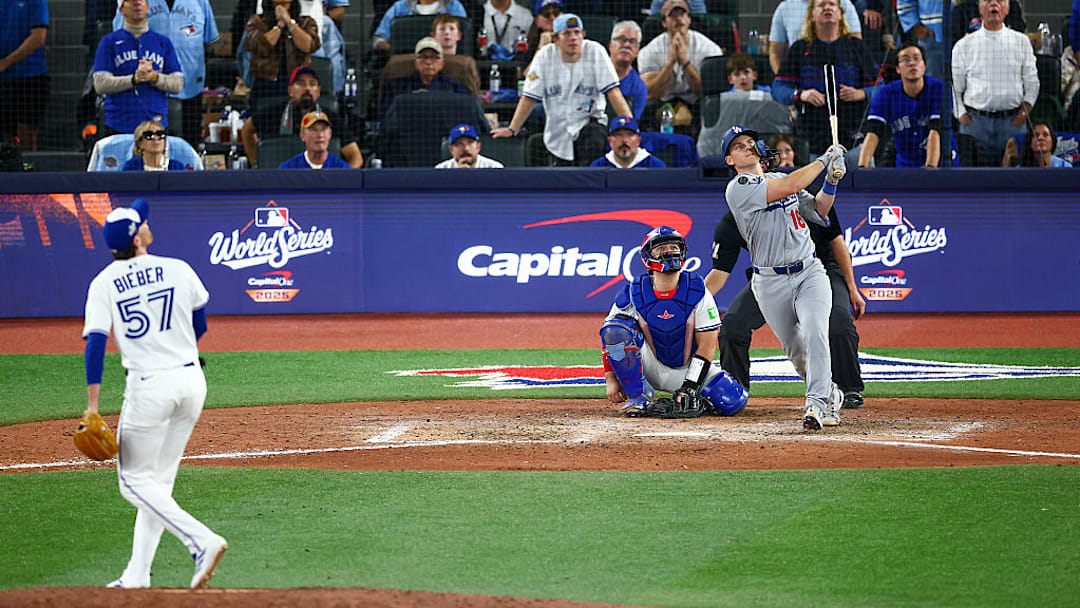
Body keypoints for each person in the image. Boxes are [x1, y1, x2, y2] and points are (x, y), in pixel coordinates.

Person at [82, 198, 227, 590]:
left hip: (149, 388)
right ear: (138, 238)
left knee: (133, 483)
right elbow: (200, 324)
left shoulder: (103, 283)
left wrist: (93, 404)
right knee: (156, 484)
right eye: (141, 222)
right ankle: (136, 575)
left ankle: (201, 541)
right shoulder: (178, 268)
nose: (147, 223)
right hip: (191, 383)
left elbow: (96, 344)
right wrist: (182, 351)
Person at [721, 124, 848, 429]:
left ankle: (816, 404)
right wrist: (823, 160)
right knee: (796, 349)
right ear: (729, 160)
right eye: (739, 146)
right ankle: (831, 392)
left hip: (809, 272)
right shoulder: (738, 187)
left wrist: (831, 180)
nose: (748, 147)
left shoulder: (779, 178)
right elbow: (789, 186)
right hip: (769, 281)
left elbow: (819, 210)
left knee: (817, 330)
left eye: (751, 142)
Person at [706, 203, 867, 410]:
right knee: (733, 323)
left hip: (819, 268)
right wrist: (693, 302)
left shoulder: (809, 197)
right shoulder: (735, 219)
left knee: (839, 323)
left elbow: (837, 242)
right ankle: (734, 391)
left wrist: (852, 288)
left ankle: (848, 388)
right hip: (772, 276)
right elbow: (720, 272)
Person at [600, 226, 748, 418]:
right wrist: (611, 377)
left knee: (733, 401)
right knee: (615, 329)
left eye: (674, 247)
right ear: (647, 256)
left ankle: (693, 401)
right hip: (648, 364)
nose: (669, 252)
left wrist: (690, 386)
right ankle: (639, 396)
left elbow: (707, 346)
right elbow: (610, 335)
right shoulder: (632, 292)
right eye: (661, 248)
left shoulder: (698, 292)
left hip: (686, 368)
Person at [492, 13, 631, 166]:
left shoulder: (595, 51)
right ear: (555, 39)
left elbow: (614, 92)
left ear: (583, 35)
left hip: (590, 126)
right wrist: (512, 129)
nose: (573, 38)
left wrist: (632, 128)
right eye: (567, 33)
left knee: (593, 142)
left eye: (577, 32)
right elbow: (529, 97)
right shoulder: (544, 56)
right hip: (557, 129)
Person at [772, 0, 881, 159]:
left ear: (840, 14)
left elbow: (880, 88)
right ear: (812, 15)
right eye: (821, 5)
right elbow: (777, 89)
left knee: (862, 184)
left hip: (855, 143)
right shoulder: (799, 48)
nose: (827, 8)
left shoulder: (856, 47)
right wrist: (800, 95)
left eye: (832, 4)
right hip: (812, 145)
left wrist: (862, 93)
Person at [111, 0, 219, 143]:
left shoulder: (200, 2)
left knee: (188, 147)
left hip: (191, 87)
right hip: (149, 91)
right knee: (150, 146)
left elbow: (209, 39)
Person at [951, 0, 1038, 167]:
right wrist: (961, 114)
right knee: (972, 183)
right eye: (988, 0)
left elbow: (1032, 82)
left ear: (1007, 8)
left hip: (1013, 123)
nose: (994, 4)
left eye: (999, 1)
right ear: (979, 8)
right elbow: (955, 86)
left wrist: (1024, 112)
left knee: (1013, 183)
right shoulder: (963, 45)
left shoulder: (1021, 42)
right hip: (974, 125)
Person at [240, 65, 363, 168]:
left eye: (312, 84)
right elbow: (247, 129)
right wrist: (257, 164)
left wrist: (341, 179)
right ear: (290, 90)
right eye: (301, 83)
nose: (307, 88)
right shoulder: (273, 113)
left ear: (318, 91)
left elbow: (356, 157)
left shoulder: (331, 118)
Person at [859, 41, 958, 169]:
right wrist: (862, 167)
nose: (912, 63)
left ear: (924, 65)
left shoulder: (939, 89)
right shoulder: (886, 93)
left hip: (942, 164)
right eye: (906, 60)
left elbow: (935, 130)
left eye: (916, 59)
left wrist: (930, 167)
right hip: (906, 166)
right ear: (898, 69)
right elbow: (873, 132)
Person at [93, 0, 184, 135]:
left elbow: (178, 84)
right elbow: (100, 84)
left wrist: (155, 77)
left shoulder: (163, 42)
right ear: (121, 10)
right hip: (118, 124)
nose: (137, 3)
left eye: (141, 0)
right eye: (130, 1)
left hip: (156, 126)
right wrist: (133, 80)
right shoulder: (109, 42)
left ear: (147, 8)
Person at [637, 0, 723, 127]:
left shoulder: (709, 48)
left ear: (689, 19)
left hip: (696, 103)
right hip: (661, 102)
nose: (678, 19)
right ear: (664, 23)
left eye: (682, 14)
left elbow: (705, 92)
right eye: (672, 15)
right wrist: (670, 63)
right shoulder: (650, 51)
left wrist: (685, 63)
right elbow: (651, 94)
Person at [245, 0, 320, 100]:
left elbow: (308, 46)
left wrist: (289, 23)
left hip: (297, 83)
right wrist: (280, 25)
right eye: (278, 5)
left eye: (285, 4)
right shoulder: (257, 22)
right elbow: (261, 46)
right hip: (265, 82)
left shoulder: (306, 22)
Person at [378, 37, 469, 119]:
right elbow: (385, 117)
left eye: (434, 57)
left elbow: (465, 116)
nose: (428, 62)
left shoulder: (455, 87)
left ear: (442, 64)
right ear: (416, 62)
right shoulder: (397, 86)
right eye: (423, 57)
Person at [0, 0, 49, 151]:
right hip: (4, 81)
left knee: (26, 137)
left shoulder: (36, 2)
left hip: (30, 76)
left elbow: (38, 37)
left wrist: (6, 62)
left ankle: (27, 172)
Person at [768, 0, 863, 75]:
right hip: (801, 73)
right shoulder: (785, 8)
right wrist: (784, 80)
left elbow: (857, 46)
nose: (827, 8)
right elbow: (775, 52)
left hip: (840, 70)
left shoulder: (843, 3)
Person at [373, 0, 468, 52]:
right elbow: (379, 39)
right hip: (405, 61)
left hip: (445, 59)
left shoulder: (454, 6)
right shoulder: (399, 7)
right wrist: (394, 51)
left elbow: (465, 40)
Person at [278, 110, 351, 168]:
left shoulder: (342, 168)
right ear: (302, 135)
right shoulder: (288, 169)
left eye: (324, 129)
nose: (320, 135)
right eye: (313, 129)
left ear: (330, 134)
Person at [590, 115, 666, 168]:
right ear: (610, 141)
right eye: (618, 135)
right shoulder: (598, 166)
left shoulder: (655, 166)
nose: (624, 140)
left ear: (638, 140)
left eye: (629, 135)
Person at [896, 0, 945, 80]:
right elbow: (904, 2)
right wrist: (915, 26)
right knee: (934, 84)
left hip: (965, 33)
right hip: (931, 37)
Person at [608, 21, 647, 121]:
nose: (627, 45)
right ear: (610, 45)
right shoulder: (593, 70)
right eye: (622, 39)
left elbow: (631, 126)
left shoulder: (639, 87)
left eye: (632, 42)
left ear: (637, 51)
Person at [123, 120, 192, 171]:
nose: (155, 138)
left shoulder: (177, 167)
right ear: (140, 144)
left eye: (160, 134)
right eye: (149, 135)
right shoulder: (131, 167)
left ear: (164, 141)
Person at [1001, 122, 1072, 168]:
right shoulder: (1020, 169)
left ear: (1053, 141)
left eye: (1045, 135)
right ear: (1030, 142)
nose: (1040, 138)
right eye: (1036, 135)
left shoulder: (1065, 166)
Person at [436, 123, 504, 168]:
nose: (466, 148)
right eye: (459, 144)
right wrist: (455, 176)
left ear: (478, 147)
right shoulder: (441, 169)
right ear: (451, 149)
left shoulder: (494, 168)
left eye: (470, 143)